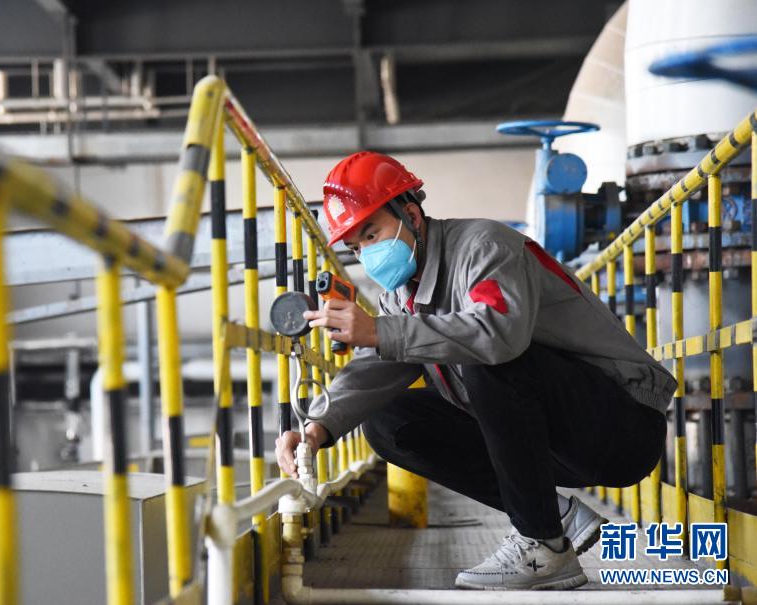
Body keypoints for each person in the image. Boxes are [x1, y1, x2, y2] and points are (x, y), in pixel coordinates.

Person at [274, 151, 676, 591]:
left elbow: (498, 334)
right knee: (388, 422)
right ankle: (553, 516)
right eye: (356, 248)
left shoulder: (484, 248)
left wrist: (379, 330)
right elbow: (378, 363)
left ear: (411, 215)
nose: (367, 254)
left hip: (620, 427)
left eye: (372, 235)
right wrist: (316, 428)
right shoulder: (401, 293)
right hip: (551, 441)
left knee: (487, 356)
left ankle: (542, 546)